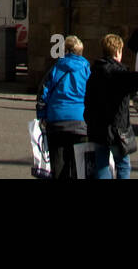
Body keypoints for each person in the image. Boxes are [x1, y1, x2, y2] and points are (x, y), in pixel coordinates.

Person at [84, 33, 138, 180]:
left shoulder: (95, 72)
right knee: (123, 164)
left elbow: (88, 100)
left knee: (101, 164)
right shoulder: (117, 73)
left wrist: (89, 120)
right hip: (116, 129)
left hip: (98, 127)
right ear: (118, 51)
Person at [37, 36, 90, 179]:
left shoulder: (56, 68)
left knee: (58, 165)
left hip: (57, 120)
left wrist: (42, 116)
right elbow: (93, 95)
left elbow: (43, 93)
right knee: (80, 168)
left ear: (66, 50)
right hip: (81, 121)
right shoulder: (87, 70)